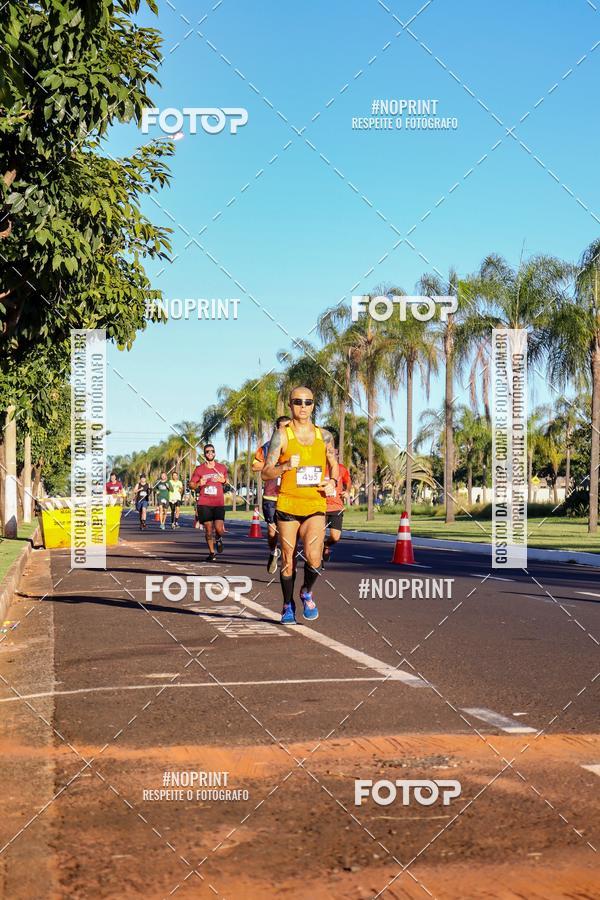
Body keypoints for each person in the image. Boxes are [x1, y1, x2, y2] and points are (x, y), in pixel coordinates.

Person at [262, 386, 338, 624]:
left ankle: (306, 591)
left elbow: (334, 464)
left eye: (307, 402)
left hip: (315, 503)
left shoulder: (324, 436)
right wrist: (284, 467)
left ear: (313, 405)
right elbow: (266, 472)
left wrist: (333, 482)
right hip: (288, 505)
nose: (303, 407)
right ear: (290, 404)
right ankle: (287, 605)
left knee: (314, 559)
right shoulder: (282, 435)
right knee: (287, 559)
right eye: (298, 402)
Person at [252, 415, 291, 574]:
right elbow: (255, 466)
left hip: (289, 495)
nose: (285, 431)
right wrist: (276, 465)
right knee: (271, 531)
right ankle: (274, 551)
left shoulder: (298, 446)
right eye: (282, 428)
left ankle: (288, 564)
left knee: (288, 532)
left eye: (288, 427)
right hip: (271, 495)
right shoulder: (267, 447)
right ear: (277, 429)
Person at [190, 444, 228, 561]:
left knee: (219, 529)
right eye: (207, 451)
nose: (210, 453)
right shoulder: (199, 469)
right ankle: (212, 553)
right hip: (204, 502)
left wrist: (224, 480)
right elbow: (191, 485)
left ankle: (219, 538)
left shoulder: (221, 468)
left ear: (215, 453)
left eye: (212, 451)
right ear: (205, 454)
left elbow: (226, 481)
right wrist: (198, 484)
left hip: (218, 503)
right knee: (208, 529)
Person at [323, 449, 351, 563]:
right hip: (320, 507)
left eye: (334, 454)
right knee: (318, 536)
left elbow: (348, 482)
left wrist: (347, 491)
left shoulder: (341, 469)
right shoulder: (319, 469)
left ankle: (326, 545)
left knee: (335, 537)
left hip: (336, 508)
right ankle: (316, 562)